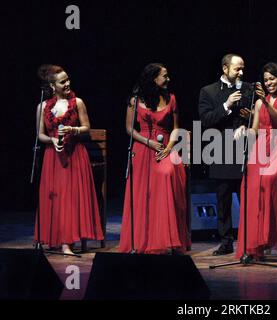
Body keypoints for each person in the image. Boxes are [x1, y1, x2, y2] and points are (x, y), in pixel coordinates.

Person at [119, 63, 190, 254]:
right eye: (164, 76)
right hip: (143, 147)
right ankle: (143, 239)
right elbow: (129, 128)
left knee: (166, 175)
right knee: (143, 193)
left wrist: (168, 148)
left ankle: (167, 239)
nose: (168, 79)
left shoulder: (171, 99)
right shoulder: (135, 100)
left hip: (166, 145)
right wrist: (148, 143)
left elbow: (176, 127)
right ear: (153, 78)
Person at [234, 62, 277, 261]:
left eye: (272, 79)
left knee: (271, 179)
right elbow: (255, 128)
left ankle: (276, 240)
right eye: (266, 80)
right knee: (252, 188)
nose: (269, 83)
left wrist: (265, 101)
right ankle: (258, 243)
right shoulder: (259, 102)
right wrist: (245, 130)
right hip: (260, 149)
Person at [35, 64, 104, 255]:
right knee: (55, 197)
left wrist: (73, 130)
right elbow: (40, 135)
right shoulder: (42, 107)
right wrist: (52, 139)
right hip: (53, 157)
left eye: (68, 79)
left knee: (70, 198)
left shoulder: (78, 102)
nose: (67, 83)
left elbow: (87, 128)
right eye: (62, 81)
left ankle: (67, 243)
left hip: (75, 155)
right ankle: (54, 238)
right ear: (52, 85)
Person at [198, 53, 252, 255]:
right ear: (225, 69)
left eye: (243, 68)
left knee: (248, 195)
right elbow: (206, 120)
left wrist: (249, 121)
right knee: (223, 197)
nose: (241, 72)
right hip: (220, 149)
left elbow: (258, 116)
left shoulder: (248, 89)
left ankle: (249, 240)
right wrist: (226, 105)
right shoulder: (208, 91)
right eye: (237, 68)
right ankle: (226, 240)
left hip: (245, 148)